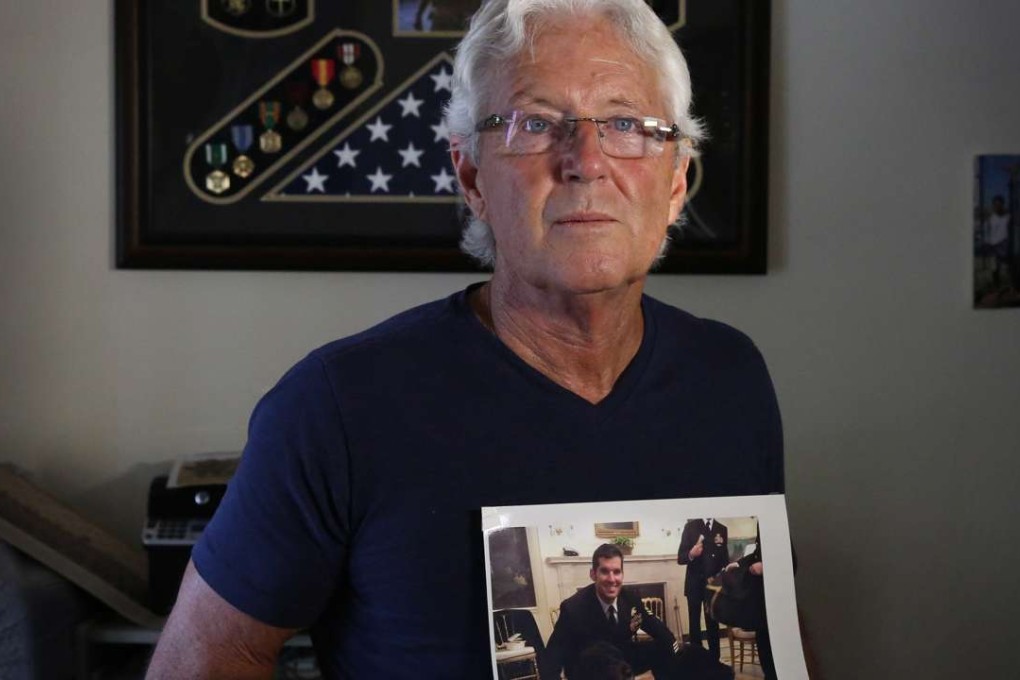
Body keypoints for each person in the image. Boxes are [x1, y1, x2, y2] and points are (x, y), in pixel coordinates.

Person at [146, 0, 784, 677]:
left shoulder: (730, 378)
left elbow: (776, 632)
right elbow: (210, 659)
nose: (587, 161)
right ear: (473, 176)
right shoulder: (337, 407)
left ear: (676, 180)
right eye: (537, 124)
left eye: (626, 124)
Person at [540, 544, 678, 679]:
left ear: (622, 574)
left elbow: (661, 631)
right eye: (605, 571)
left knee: (663, 648)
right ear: (593, 574)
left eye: (617, 572)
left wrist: (675, 658)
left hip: (621, 659)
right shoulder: (573, 608)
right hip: (590, 669)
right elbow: (551, 659)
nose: (612, 579)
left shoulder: (630, 598)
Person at [677, 518, 730, 658]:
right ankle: (697, 660)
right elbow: (680, 558)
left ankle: (715, 660)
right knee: (694, 624)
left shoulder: (722, 528)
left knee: (713, 624)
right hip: (694, 584)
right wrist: (691, 554)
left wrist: (723, 581)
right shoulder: (690, 526)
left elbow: (725, 559)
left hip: (713, 586)